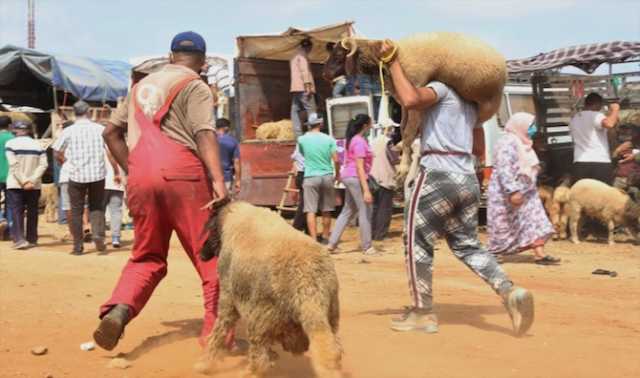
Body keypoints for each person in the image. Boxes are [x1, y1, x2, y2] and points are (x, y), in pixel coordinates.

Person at [380, 40, 534, 336]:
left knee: (416, 242)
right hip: (467, 178)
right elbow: (478, 146)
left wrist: (393, 62)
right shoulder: (472, 104)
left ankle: (422, 312)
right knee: (467, 244)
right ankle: (509, 292)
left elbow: (410, 99)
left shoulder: (441, 88)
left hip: (437, 173)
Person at [94, 31, 229, 351]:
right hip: (185, 177)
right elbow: (204, 134)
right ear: (203, 62)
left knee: (147, 257)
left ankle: (119, 309)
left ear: (170, 57)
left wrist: (135, 170)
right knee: (210, 256)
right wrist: (220, 182)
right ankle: (215, 335)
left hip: (142, 177)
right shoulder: (196, 86)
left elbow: (111, 132)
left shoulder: (140, 87)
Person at [487, 113, 560, 265]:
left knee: (536, 219)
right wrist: (512, 190)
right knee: (503, 223)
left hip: (527, 191)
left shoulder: (525, 143)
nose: (533, 129)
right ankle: (495, 251)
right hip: (505, 192)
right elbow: (504, 167)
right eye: (530, 126)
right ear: (520, 126)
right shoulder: (506, 142)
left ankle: (540, 253)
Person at [52, 101, 107, 255]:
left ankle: (78, 246)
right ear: (88, 112)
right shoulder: (100, 129)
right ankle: (98, 235)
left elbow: (57, 151)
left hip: (75, 175)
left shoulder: (68, 131)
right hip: (97, 174)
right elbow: (110, 149)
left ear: (74, 113)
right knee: (96, 206)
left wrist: (64, 162)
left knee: (76, 210)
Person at [327, 114, 378, 255]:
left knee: (347, 210)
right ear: (365, 126)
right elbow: (360, 167)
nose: (372, 124)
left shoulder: (352, 140)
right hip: (356, 177)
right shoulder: (360, 142)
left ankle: (332, 244)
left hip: (348, 176)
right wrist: (366, 190)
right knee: (365, 210)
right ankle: (367, 246)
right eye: (370, 122)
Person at [5, 120, 47, 249]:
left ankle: (19, 239)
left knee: (17, 211)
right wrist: (32, 180)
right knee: (32, 212)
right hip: (34, 185)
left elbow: (13, 165)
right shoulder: (38, 145)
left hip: (15, 184)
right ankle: (32, 238)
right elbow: (44, 165)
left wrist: (23, 181)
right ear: (29, 130)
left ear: (16, 130)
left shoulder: (10, 144)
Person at [297, 113, 338, 243]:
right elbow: (336, 159)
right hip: (326, 175)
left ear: (309, 125)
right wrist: (337, 174)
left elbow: (302, 156)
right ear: (321, 124)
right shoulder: (329, 139)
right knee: (327, 209)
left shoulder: (302, 139)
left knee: (310, 210)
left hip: (310, 176)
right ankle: (325, 237)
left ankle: (314, 239)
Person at [569, 93, 619, 184]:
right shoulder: (596, 115)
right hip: (599, 162)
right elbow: (609, 124)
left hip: (580, 163)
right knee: (602, 196)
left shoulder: (575, 118)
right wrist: (615, 109)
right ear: (598, 104)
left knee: (582, 196)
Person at [370, 126, 400, 240]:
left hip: (373, 177)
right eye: (391, 128)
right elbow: (394, 159)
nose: (393, 131)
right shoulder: (388, 142)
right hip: (385, 177)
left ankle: (372, 233)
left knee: (375, 207)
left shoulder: (373, 141)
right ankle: (381, 234)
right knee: (385, 208)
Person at [290, 38, 317, 137]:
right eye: (310, 48)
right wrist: (308, 86)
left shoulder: (293, 56)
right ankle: (313, 133)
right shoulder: (302, 56)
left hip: (295, 88)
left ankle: (297, 134)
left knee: (295, 111)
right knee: (311, 109)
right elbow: (304, 71)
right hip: (304, 87)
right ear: (308, 47)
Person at [104, 150, 125, 248]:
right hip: (118, 182)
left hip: (102, 182)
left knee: (100, 211)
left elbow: (109, 153)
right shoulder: (122, 144)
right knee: (116, 211)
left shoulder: (103, 143)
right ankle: (115, 238)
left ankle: (101, 237)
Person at [215, 118, 241, 196]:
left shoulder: (211, 140)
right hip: (226, 178)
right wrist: (238, 180)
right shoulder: (233, 141)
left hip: (211, 179)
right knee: (225, 205)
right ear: (226, 128)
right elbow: (236, 162)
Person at [0, 115, 15, 236]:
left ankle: (0, 219)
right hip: (10, 175)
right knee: (11, 202)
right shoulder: (13, 138)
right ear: (10, 126)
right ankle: (10, 227)